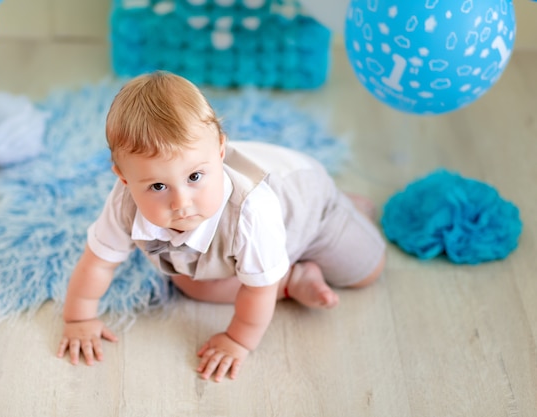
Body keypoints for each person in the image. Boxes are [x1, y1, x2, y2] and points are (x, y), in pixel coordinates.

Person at [56, 71, 386, 382]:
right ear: (124, 178)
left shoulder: (251, 209)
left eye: (195, 177)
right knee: (190, 282)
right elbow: (97, 261)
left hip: (308, 205)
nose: (181, 202)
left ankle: (348, 209)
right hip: (254, 239)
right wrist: (79, 317)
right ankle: (290, 279)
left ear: (221, 152)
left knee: (367, 271)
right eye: (158, 187)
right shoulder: (124, 201)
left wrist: (237, 340)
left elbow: (257, 290)